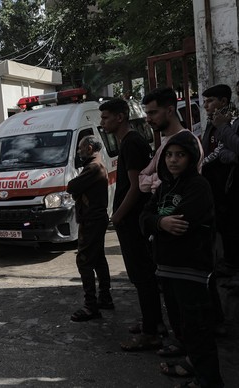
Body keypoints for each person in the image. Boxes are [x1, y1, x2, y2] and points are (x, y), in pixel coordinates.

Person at [140, 131, 224, 388]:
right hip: (166, 268)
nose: (173, 160)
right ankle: (194, 366)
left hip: (191, 270)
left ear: (192, 157)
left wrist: (157, 225)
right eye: (169, 155)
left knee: (198, 330)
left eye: (180, 155)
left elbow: (182, 223)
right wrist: (159, 222)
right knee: (183, 328)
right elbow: (144, 219)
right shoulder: (165, 186)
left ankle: (209, 381)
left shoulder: (198, 186)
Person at [99, 98, 164, 351]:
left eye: (105, 118)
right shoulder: (128, 142)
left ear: (120, 117)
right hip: (131, 219)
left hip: (133, 221)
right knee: (141, 275)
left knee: (142, 275)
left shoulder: (132, 143)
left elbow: (136, 187)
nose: (102, 123)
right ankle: (153, 322)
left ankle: (151, 332)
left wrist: (117, 216)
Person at [66, 136, 112, 322]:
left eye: (80, 148)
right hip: (95, 219)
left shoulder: (93, 167)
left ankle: (90, 305)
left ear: (89, 148)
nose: (78, 152)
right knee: (98, 258)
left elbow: (72, 187)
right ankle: (105, 297)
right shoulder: (96, 166)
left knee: (84, 261)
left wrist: (77, 189)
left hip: (91, 220)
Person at [200, 84, 239, 278]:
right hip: (213, 184)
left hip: (224, 183)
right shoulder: (212, 122)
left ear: (223, 102)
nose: (206, 105)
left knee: (228, 225)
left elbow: (223, 151)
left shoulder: (227, 122)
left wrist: (200, 166)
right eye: (205, 101)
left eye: (210, 101)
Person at [139, 87, 201, 193]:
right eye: (147, 113)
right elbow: (142, 181)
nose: (148, 119)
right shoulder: (165, 141)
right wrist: (160, 177)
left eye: (153, 113)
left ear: (170, 111)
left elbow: (174, 183)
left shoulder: (189, 142)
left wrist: (159, 179)